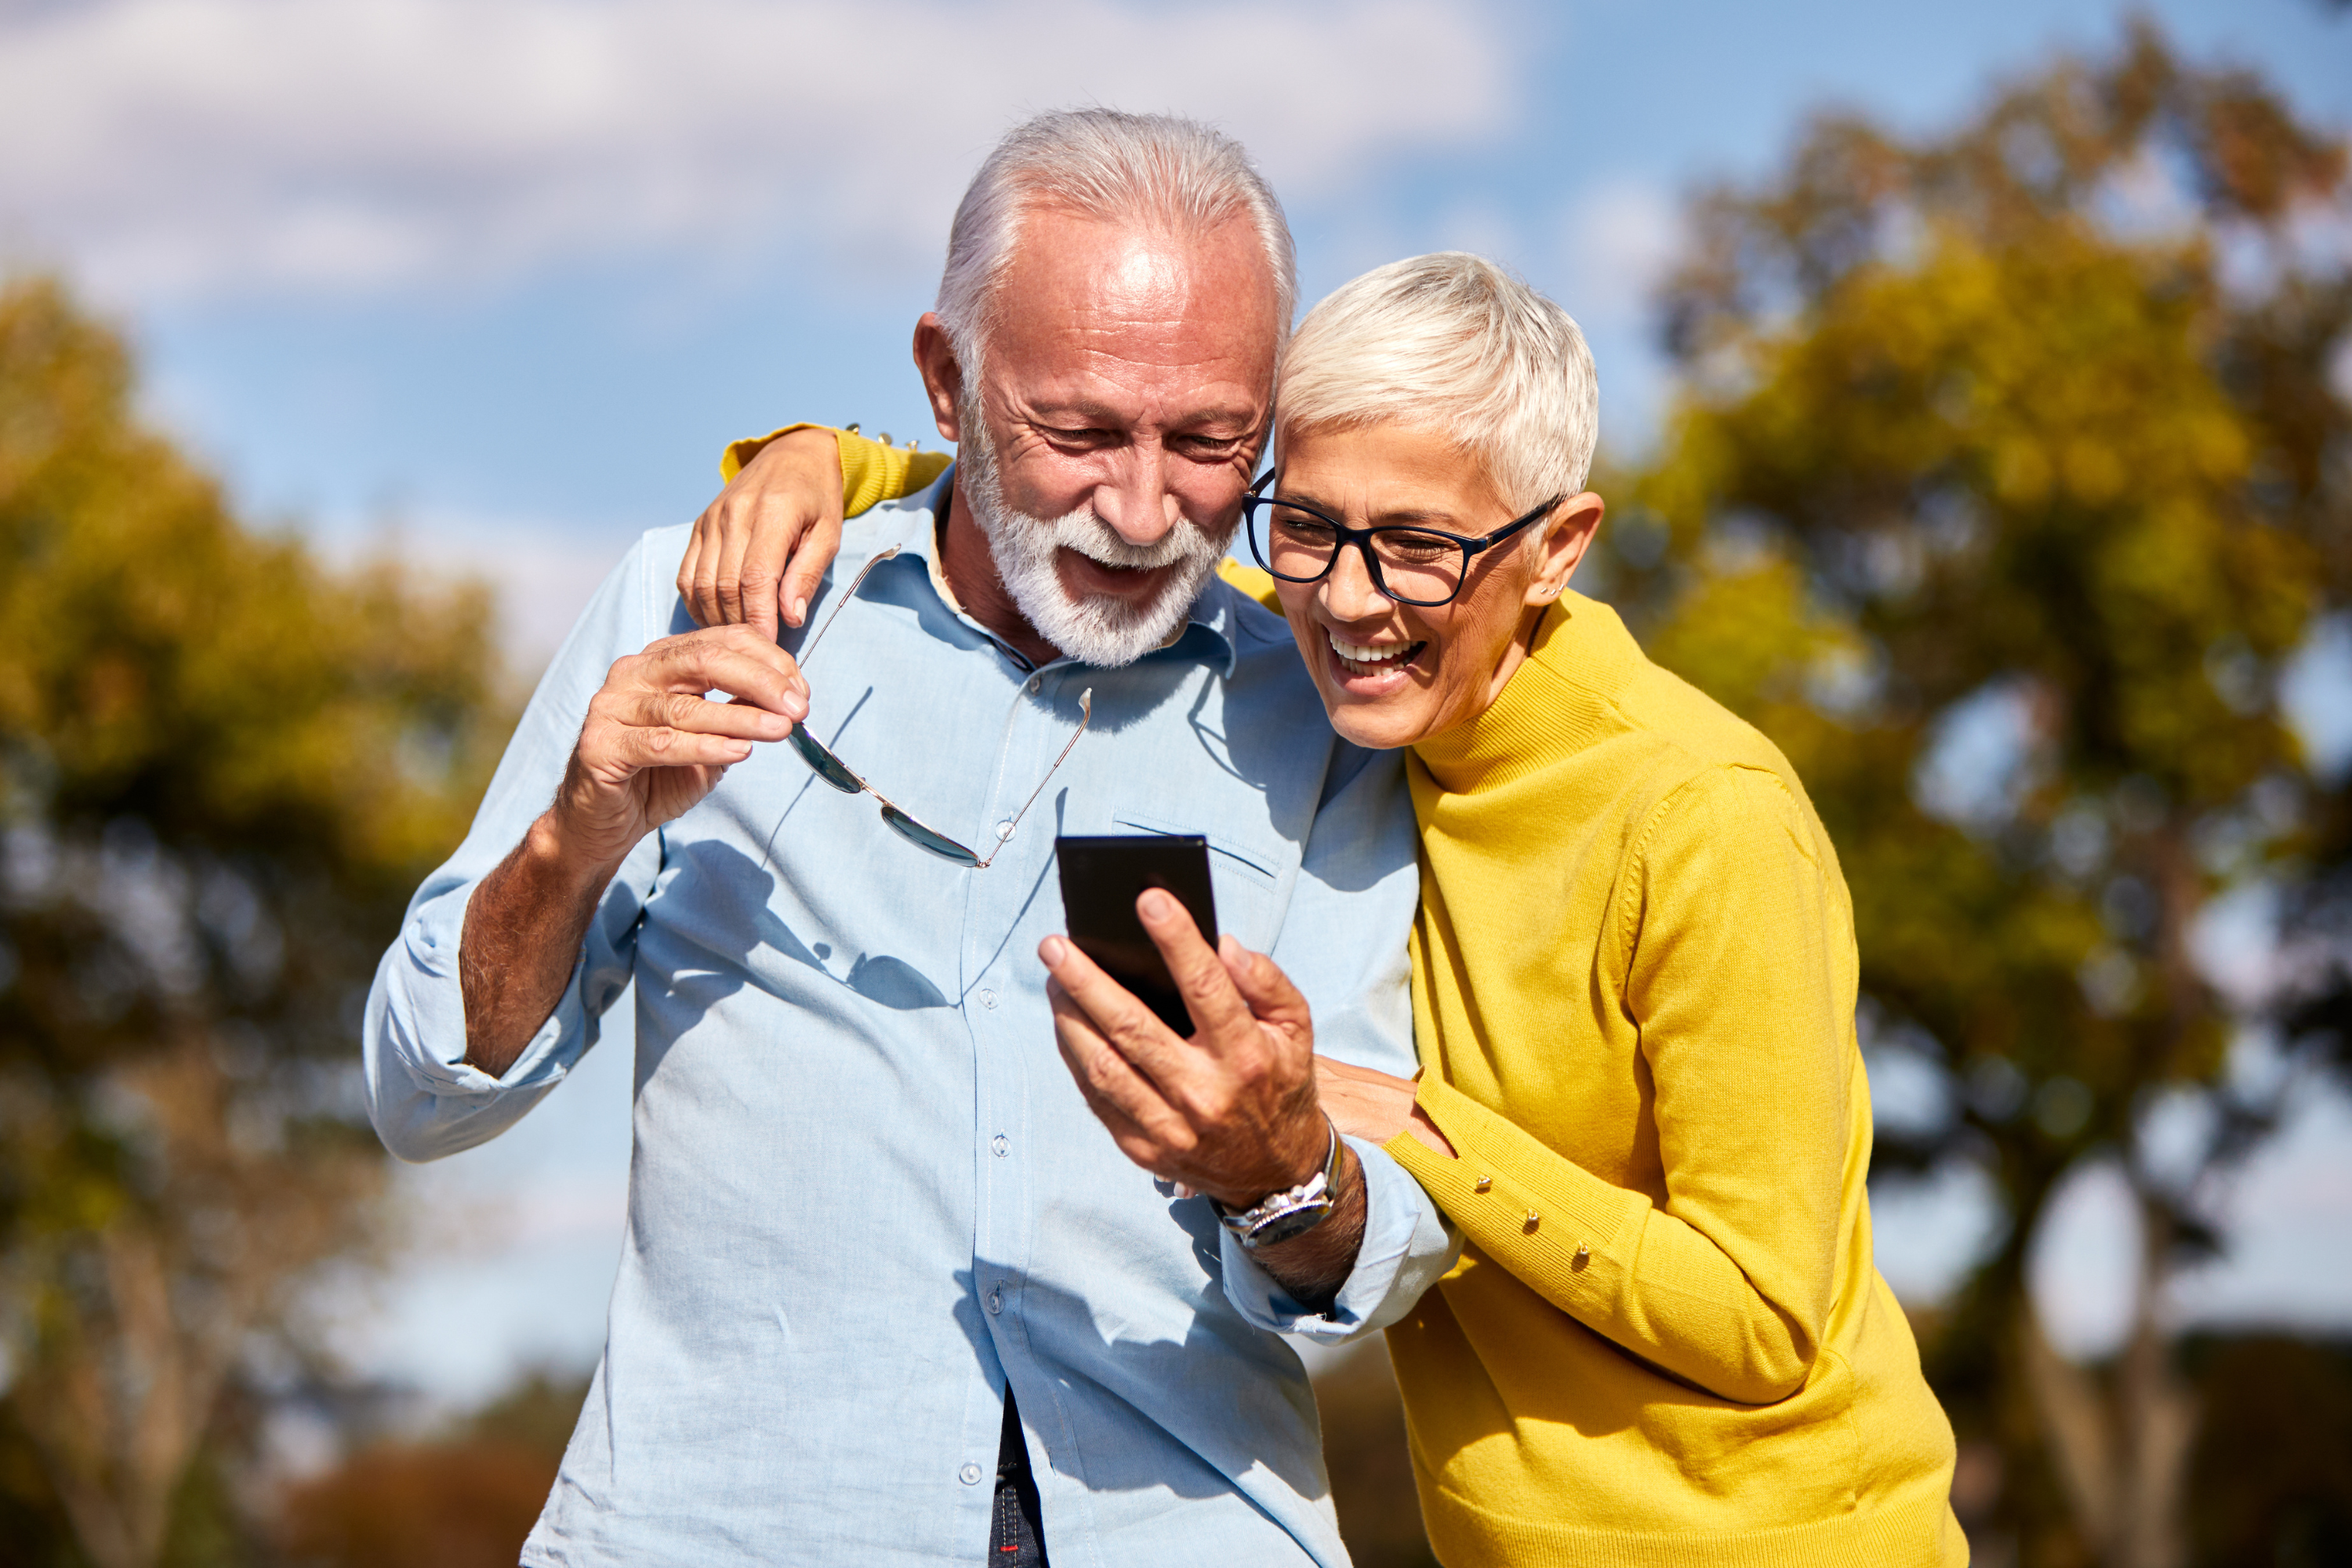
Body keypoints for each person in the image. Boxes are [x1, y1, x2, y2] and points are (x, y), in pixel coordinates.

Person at [706, 254, 1968, 1566]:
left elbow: (1767, 1319)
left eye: (1420, 545)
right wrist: (817, 462)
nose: (1350, 599)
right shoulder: (1370, 678)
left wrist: (1418, 1132)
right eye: (1305, 526)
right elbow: (1072, 510)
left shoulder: (1705, 816)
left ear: (1557, 548)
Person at [362, 111, 1458, 1568]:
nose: (1141, 509)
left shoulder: (1322, 717)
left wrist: (1284, 1171)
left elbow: (1378, 1248)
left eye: (1211, 441)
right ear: (946, 382)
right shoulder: (696, 605)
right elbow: (424, 1090)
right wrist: (577, 836)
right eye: (1074, 433)